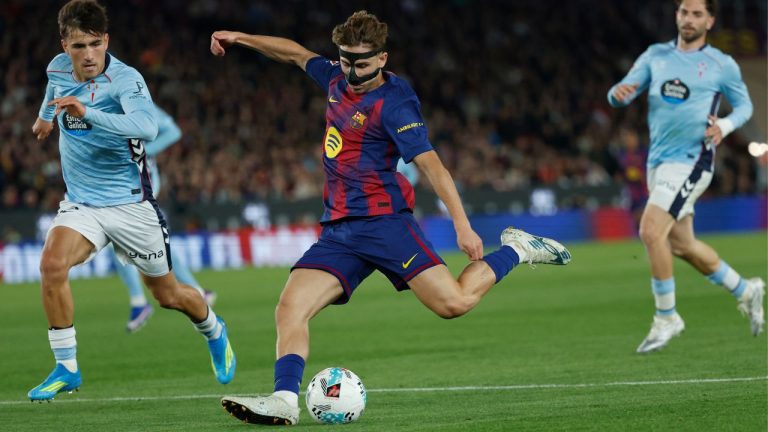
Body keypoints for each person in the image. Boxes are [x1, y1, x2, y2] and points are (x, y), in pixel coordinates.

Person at [210, 10, 571, 425]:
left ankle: (516, 250)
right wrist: (240, 37)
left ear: (382, 59)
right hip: (340, 230)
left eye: (362, 64)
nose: (352, 72)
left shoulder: (395, 104)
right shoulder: (334, 77)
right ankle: (285, 401)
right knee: (289, 307)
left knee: (454, 303)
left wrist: (462, 224)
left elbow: (434, 167)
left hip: (386, 225)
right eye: (346, 61)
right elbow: (295, 54)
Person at [28, 0, 235, 402]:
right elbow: (55, 88)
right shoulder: (56, 67)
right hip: (83, 204)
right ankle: (66, 367)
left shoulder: (127, 80)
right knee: (52, 265)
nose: (87, 55)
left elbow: (146, 126)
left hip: (131, 205)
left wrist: (86, 112)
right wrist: (45, 118)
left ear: (106, 40)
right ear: (64, 45)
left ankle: (214, 330)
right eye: (77, 46)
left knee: (169, 295)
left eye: (94, 44)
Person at [607, 0, 764, 354]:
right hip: (658, 162)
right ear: (676, 16)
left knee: (650, 230)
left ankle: (667, 317)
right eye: (684, 12)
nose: (689, 19)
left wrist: (724, 125)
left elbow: (745, 107)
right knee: (681, 245)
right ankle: (746, 289)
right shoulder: (656, 55)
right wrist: (618, 95)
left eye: (696, 14)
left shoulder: (721, 64)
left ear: (709, 20)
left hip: (692, 160)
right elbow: (622, 90)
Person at [117, 104, 218, 333]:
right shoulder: (101, 104)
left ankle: (139, 303)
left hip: (137, 183)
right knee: (155, 243)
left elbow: (174, 131)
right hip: (123, 183)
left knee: (116, 237)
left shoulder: (138, 104)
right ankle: (196, 291)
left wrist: (146, 150)